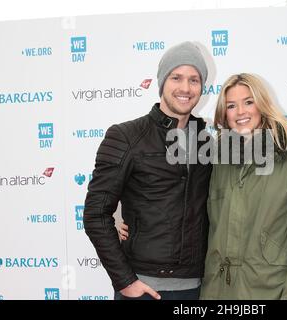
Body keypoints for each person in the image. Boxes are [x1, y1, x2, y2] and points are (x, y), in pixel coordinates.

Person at [120, 73, 287, 299]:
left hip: (267, 291)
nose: (241, 112)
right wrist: (133, 223)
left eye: (248, 102)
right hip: (215, 291)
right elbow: (183, 205)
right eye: (232, 106)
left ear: (262, 104)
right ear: (225, 114)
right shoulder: (216, 157)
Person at [83, 41, 212, 300]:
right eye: (176, 77)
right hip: (143, 288)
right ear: (162, 82)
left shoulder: (206, 142)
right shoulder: (126, 136)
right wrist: (125, 281)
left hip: (196, 288)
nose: (185, 88)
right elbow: (95, 214)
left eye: (194, 80)